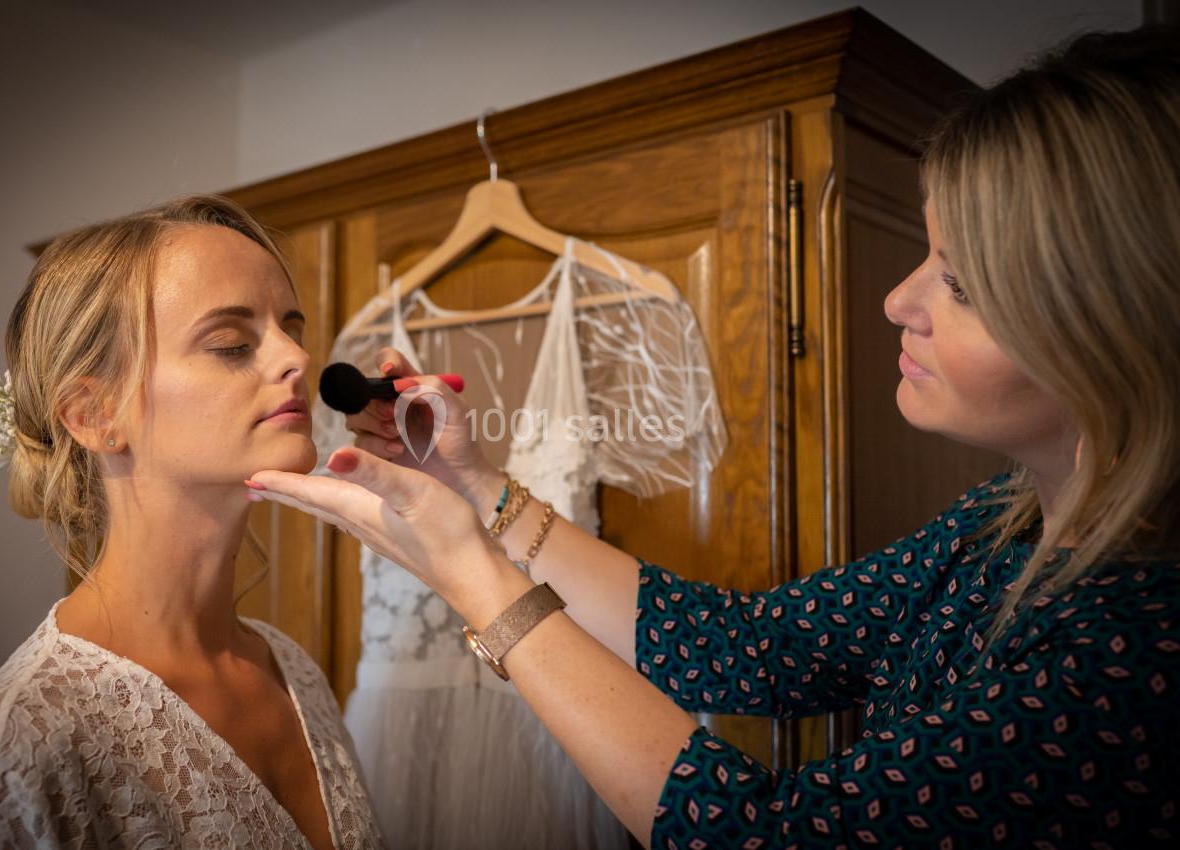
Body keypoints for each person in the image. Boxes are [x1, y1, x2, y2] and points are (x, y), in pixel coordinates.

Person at [243, 25, 1180, 849]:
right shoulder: (1001, 528)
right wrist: (478, 485)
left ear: (1114, 319)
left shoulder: (1137, 646)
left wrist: (477, 584)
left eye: (962, 284)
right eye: (928, 256)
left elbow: (768, 836)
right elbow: (751, 648)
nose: (900, 300)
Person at [0, 197, 384, 849]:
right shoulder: (22, 744)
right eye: (232, 344)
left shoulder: (293, 671)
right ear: (95, 415)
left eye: (291, 329)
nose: (297, 360)